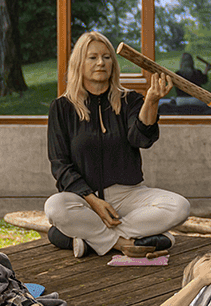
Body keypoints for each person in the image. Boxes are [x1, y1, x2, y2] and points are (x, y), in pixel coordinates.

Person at [44, 30, 191, 258]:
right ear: (79, 63)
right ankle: (124, 243)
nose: (101, 63)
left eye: (107, 57)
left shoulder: (130, 100)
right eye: (92, 57)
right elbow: (59, 164)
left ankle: (89, 239)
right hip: (83, 198)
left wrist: (151, 100)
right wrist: (92, 201)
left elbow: (140, 139)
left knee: (179, 206)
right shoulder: (62, 107)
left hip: (129, 195)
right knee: (55, 207)